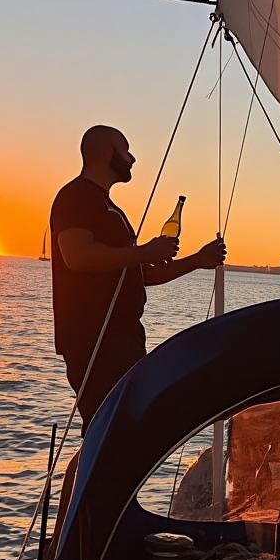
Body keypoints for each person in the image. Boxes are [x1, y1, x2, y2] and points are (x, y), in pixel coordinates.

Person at [50, 125, 226, 429]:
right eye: (126, 150)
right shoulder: (76, 197)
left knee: (113, 432)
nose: (132, 159)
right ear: (107, 153)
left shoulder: (109, 208)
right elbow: (77, 256)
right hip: (95, 341)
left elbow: (141, 276)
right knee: (109, 431)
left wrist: (198, 260)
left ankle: (95, 477)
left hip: (122, 339)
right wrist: (143, 251)